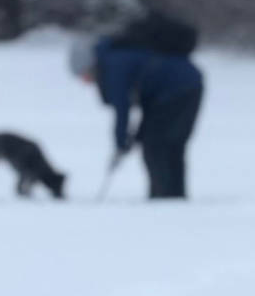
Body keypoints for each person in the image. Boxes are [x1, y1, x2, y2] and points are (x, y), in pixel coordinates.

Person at [68, 14, 205, 200]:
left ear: (88, 64)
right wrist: (127, 140)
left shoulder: (114, 64)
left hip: (177, 91)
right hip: (184, 87)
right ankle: (171, 196)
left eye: (83, 76)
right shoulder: (115, 56)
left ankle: (166, 199)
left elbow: (122, 108)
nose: (85, 82)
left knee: (158, 146)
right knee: (166, 145)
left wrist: (120, 144)